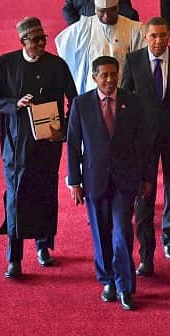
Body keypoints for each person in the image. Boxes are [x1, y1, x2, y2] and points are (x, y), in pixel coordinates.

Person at [0, 17, 77, 279]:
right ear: (22, 42)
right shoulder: (6, 63)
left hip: (48, 142)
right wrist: (15, 104)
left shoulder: (57, 65)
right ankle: (14, 257)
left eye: (42, 39)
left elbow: (75, 100)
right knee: (17, 196)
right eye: (34, 41)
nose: (39, 45)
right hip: (16, 143)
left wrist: (64, 130)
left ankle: (43, 245)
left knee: (45, 192)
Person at [66, 56, 153, 311]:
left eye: (113, 74)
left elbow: (144, 144)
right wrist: (74, 182)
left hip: (125, 181)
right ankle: (108, 281)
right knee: (101, 234)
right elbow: (73, 145)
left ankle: (126, 286)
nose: (109, 79)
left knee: (122, 233)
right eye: (103, 75)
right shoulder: (81, 105)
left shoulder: (132, 102)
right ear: (94, 77)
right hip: (94, 180)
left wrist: (147, 178)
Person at [120, 18, 170, 274]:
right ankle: (146, 254)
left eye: (163, 35)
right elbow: (124, 101)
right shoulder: (133, 61)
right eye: (153, 36)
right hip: (143, 140)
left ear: (168, 36)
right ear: (145, 37)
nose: (158, 41)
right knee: (145, 195)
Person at [55, 0, 145, 95]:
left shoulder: (134, 29)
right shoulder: (84, 27)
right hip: (92, 90)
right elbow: (63, 45)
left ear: (117, 7)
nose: (106, 16)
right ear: (95, 9)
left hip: (123, 90)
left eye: (111, 11)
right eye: (101, 11)